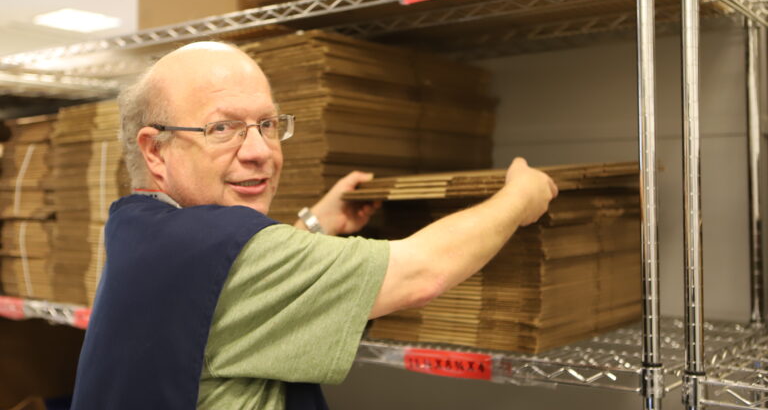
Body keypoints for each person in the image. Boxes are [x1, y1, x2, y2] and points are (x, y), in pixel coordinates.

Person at [70, 41, 558, 410]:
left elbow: (222, 295)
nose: (260, 150)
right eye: (223, 128)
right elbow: (420, 273)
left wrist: (315, 223)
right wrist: (519, 198)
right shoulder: (225, 248)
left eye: (267, 124)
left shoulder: (140, 229)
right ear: (155, 151)